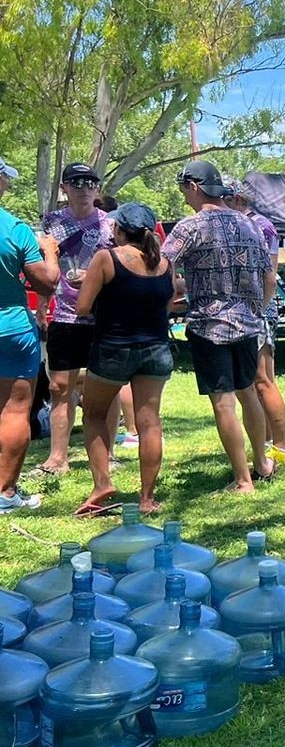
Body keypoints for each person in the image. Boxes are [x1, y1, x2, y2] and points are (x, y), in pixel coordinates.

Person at [163, 160, 275, 494]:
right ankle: (262, 463)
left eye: (184, 189)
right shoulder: (250, 226)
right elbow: (269, 276)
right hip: (247, 323)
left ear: (194, 187)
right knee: (249, 393)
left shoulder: (189, 227)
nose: (184, 197)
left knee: (223, 401)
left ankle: (242, 480)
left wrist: (170, 295)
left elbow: (162, 263)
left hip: (209, 326)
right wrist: (258, 310)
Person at [73, 202, 176, 516]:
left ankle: (102, 484)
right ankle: (146, 498)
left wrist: (88, 283)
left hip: (113, 348)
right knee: (150, 424)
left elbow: (82, 308)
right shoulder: (164, 263)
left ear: (117, 229)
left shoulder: (106, 258)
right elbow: (167, 303)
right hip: (156, 349)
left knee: (93, 415)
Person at [34, 161, 113, 475]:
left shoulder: (110, 224)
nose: (84, 189)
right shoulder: (52, 222)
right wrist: (42, 303)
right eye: (77, 183)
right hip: (65, 316)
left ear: (98, 188)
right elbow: (44, 266)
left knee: (104, 388)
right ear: (64, 188)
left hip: (102, 317)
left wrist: (96, 278)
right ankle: (57, 458)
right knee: (59, 387)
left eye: (90, 183)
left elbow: (123, 265)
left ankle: (106, 454)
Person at [225, 179, 285, 468]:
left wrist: (258, 309)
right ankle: (270, 442)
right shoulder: (258, 224)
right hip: (256, 306)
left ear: (239, 200)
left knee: (261, 380)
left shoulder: (256, 226)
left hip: (256, 308)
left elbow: (268, 273)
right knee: (262, 380)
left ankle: (280, 445)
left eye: (226, 199)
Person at [0, 157, 59, 512]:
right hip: (11, 327)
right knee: (15, 410)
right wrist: (49, 252)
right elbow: (47, 282)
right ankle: (5, 493)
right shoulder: (14, 229)